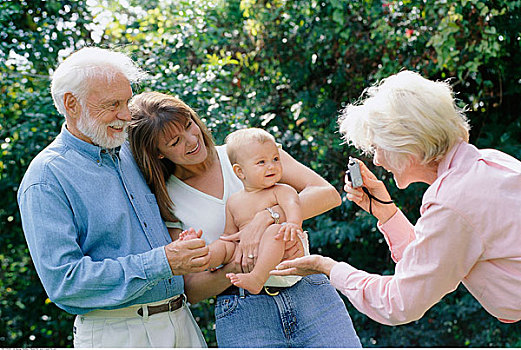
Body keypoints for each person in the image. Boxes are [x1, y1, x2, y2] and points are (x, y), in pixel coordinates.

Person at [271, 70, 521, 325]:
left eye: (378, 147)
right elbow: (429, 266)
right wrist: (386, 213)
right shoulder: (489, 161)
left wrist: (327, 267)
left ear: (406, 145)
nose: (377, 160)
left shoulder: (452, 201)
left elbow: (398, 303)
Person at [127, 91, 362, 347]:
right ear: (158, 153)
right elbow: (191, 289)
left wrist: (265, 219)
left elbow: (327, 195)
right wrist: (241, 263)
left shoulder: (247, 151)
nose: (192, 140)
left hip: (307, 291)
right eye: (175, 142)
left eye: (188, 125)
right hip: (243, 312)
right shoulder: (168, 198)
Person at [17, 47, 208, 347]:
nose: (125, 114)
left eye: (127, 101)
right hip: (119, 333)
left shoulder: (132, 150)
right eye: (112, 104)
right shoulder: (46, 178)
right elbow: (66, 283)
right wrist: (163, 262)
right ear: (71, 104)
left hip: (181, 320)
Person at [180, 128, 305, 294]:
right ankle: (204, 256)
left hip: (280, 256)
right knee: (225, 246)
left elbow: (293, 205)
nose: (271, 166)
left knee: (275, 231)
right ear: (240, 171)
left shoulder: (281, 190)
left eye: (275, 159)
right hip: (246, 254)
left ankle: (257, 278)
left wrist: (293, 223)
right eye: (262, 162)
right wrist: (215, 252)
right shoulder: (234, 201)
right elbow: (229, 236)